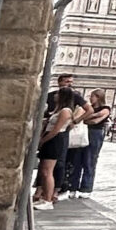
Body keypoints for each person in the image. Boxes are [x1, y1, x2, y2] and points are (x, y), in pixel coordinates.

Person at [34, 76, 82, 207]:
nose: (55, 96)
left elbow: (56, 130)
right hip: (50, 140)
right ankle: (44, 197)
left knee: (48, 171)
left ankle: (48, 200)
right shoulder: (58, 110)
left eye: (57, 95)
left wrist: (43, 140)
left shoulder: (66, 111)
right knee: (44, 170)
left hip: (55, 140)